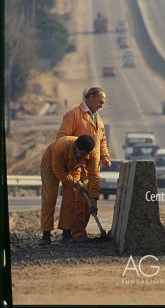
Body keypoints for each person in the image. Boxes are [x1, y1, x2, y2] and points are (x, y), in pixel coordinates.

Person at [56, 87, 111, 242]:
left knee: (90, 201)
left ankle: (80, 232)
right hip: (77, 167)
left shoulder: (98, 120)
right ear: (91, 97)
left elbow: (102, 141)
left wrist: (105, 156)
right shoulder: (73, 115)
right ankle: (75, 233)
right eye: (100, 102)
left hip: (93, 167)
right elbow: (61, 139)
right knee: (77, 201)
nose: (102, 105)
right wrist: (75, 155)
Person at [40, 134, 95, 245]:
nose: (83, 157)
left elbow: (93, 174)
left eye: (86, 155)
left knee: (70, 200)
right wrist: (74, 183)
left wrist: (92, 195)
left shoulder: (89, 152)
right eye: (81, 154)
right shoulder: (61, 147)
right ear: (75, 147)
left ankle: (66, 234)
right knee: (49, 198)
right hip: (50, 167)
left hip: (73, 168)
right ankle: (46, 234)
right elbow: (58, 171)